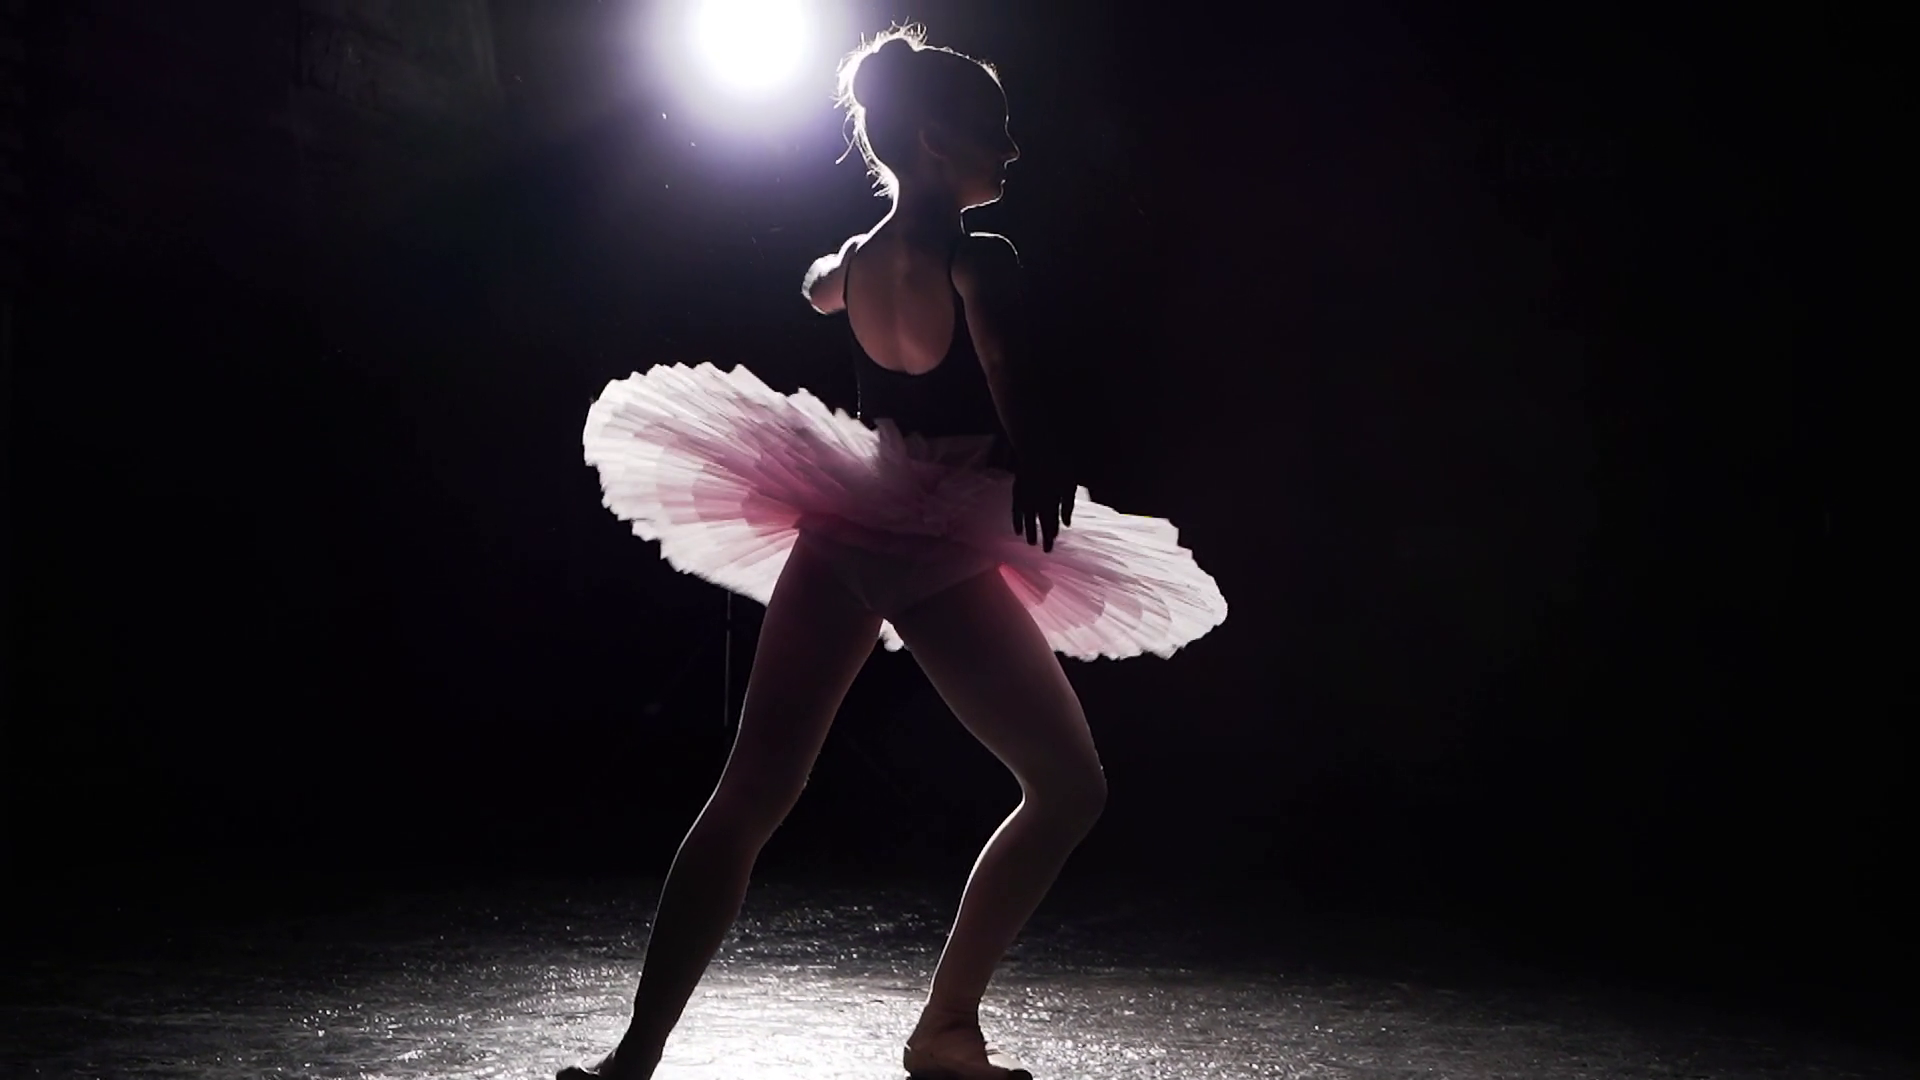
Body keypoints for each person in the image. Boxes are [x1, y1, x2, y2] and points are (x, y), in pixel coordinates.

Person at [564, 27, 1227, 1080]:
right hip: (935, 543)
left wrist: (838, 267)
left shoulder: (861, 261)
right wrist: (1042, 455)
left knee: (749, 795)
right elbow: (1003, 363)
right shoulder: (983, 257)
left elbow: (816, 287)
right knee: (1068, 788)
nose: (1013, 147)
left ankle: (633, 1056)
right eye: (994, 128)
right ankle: (944, 1026)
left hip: (846, 527)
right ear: (933, 140)